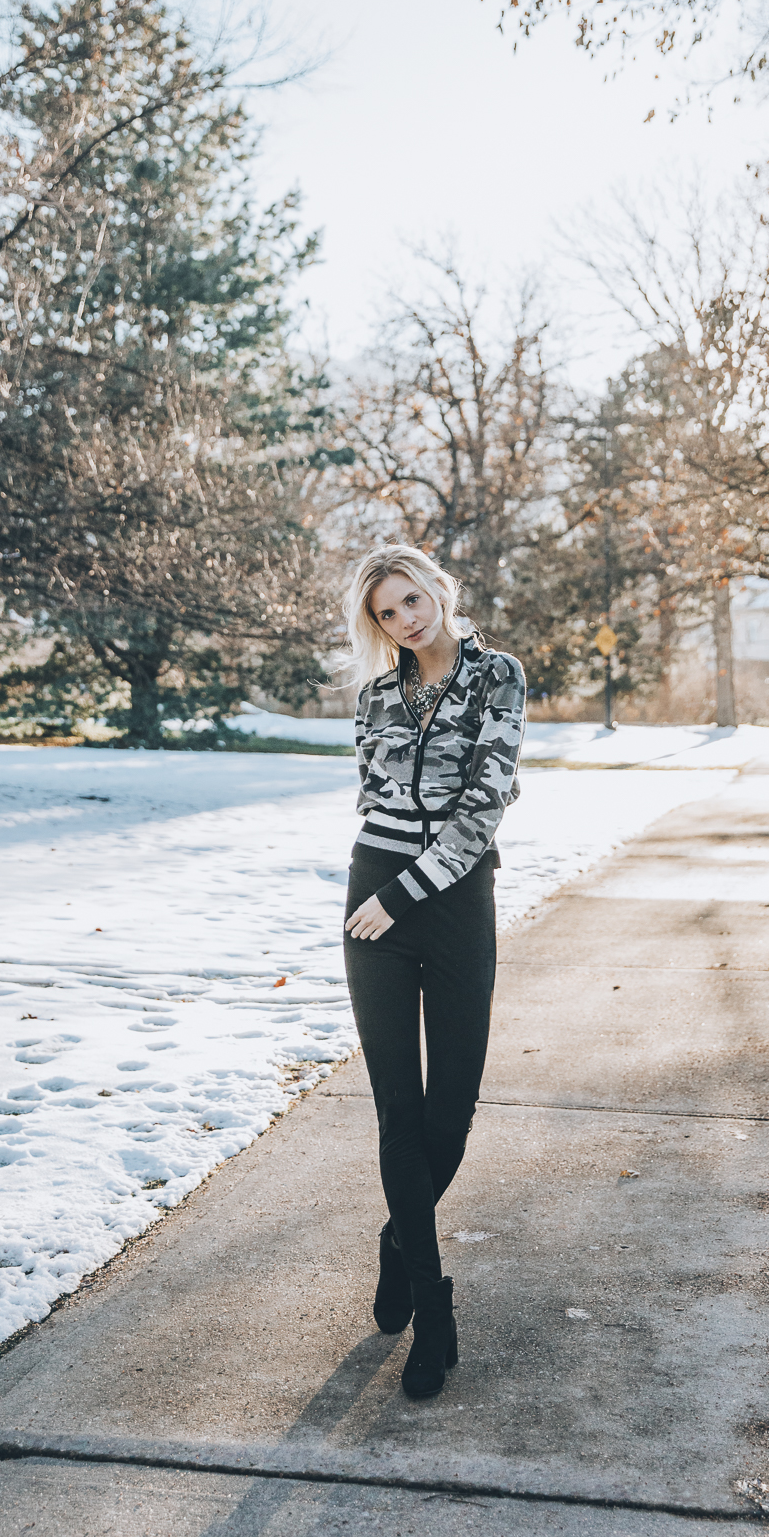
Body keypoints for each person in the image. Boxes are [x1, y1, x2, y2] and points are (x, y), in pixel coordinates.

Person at [341, 544, 526, 1400]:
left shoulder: (499, 677)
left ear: (441, 591)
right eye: (387, 611)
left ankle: (395, 1238)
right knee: (396, 1112)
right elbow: (372, 803)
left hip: (449, 902)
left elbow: (484, 804)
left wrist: (407, 891)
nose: (406, 619)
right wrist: (382, 886)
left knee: (450, 1106)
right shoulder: (378, 696)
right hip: (373, 897)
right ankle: (431, 1301)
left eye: (413, 599)